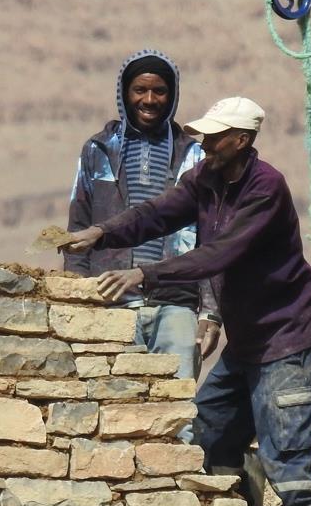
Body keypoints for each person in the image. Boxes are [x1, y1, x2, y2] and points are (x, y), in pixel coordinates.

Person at [67, 97, 311, 506]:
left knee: (286, 445)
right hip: (247, 338)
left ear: (242, 140)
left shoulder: (265, 188)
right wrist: (102, 233)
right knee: (209, 428)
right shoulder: (207, 178)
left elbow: (220, 253)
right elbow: (158, 213)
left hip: (286, 335)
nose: (204, 143)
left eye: (215, 136)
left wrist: (145, 273)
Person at [65, 51, 221, 397]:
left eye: (159, 91)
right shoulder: (97, 150)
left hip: (177, 301)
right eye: (139, 90)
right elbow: (78, 226)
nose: (149, 100)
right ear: (124, 93)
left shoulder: (194, 157)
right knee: (113, 404)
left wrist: (211, 311)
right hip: (110, 299)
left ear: (173, 95)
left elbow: (213, 241)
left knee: (177, 409)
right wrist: (76, 294)